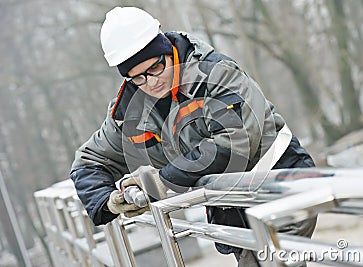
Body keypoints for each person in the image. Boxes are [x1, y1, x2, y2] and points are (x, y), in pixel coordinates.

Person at [70, 6, 316, 266]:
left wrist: (163, 181)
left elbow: (236, 139)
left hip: (277, 181)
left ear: (168, 51)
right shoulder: (129, 115)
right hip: (232, 206)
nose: (151, 82)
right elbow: (88, 163)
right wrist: (109, 201)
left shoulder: (217, 74)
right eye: (138, 77)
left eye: (156, 68)